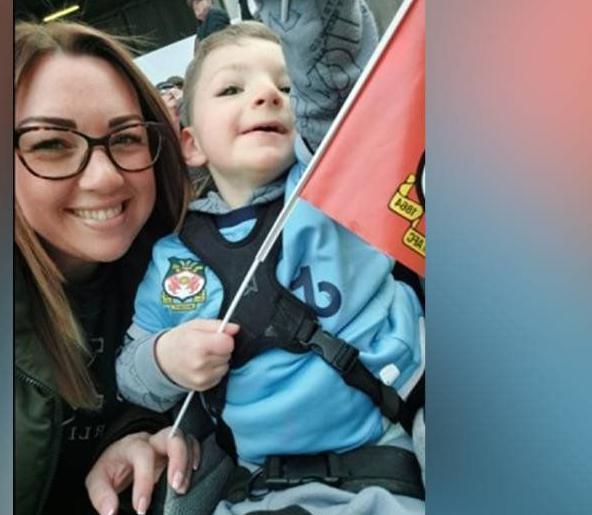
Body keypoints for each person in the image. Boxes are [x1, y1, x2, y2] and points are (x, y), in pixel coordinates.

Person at [117, 1, 426, 513]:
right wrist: (165, 359)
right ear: (190, 144)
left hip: (392, 453)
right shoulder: (176, 258)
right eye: (232, 89)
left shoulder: (331, 184)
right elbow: (131, 373)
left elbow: (331, 82)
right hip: (259, 490)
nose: (266, 94)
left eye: (286, 88)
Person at [14, 20, 200, 515]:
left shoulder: (197, 271)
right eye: (51, 144)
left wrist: (135, 434)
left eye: (126, 138)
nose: (104, 176)